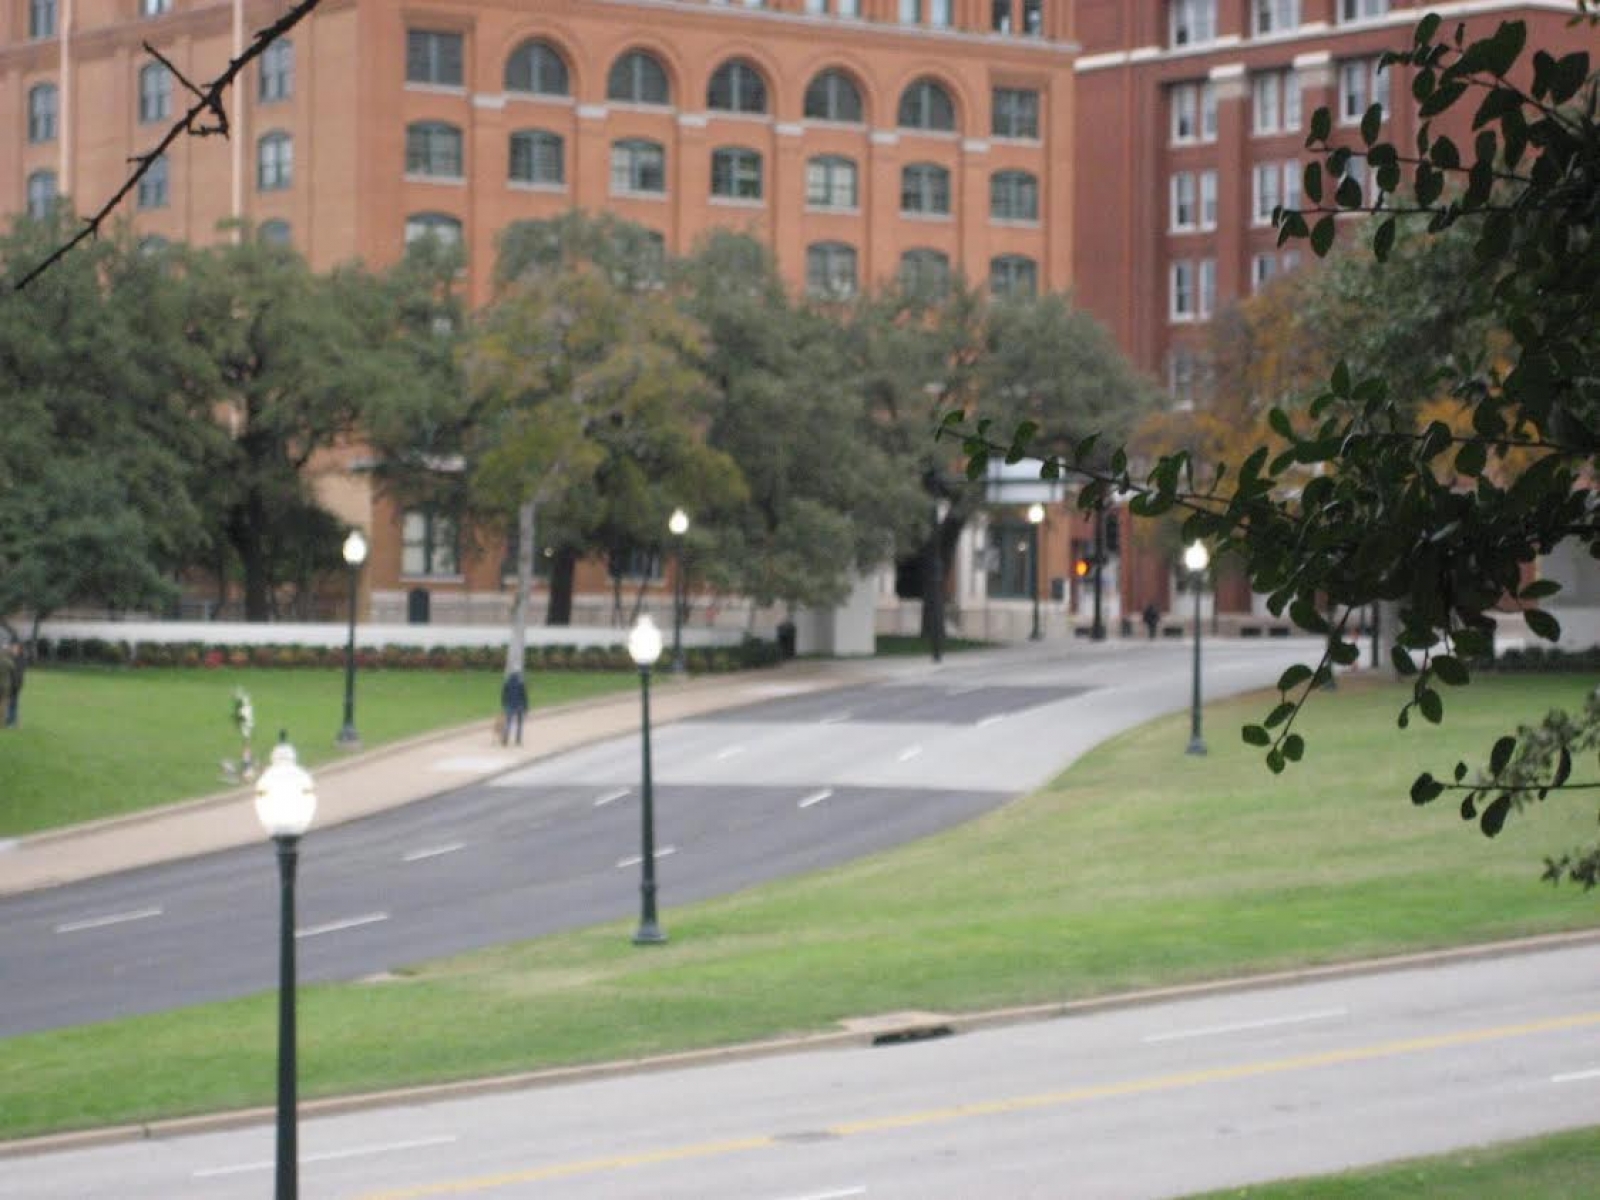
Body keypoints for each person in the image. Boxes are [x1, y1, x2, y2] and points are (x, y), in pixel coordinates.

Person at [500, 670, 528, 747]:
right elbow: (524, 697)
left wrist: (503, 705)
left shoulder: (507, 684)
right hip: (519, 706)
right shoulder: (521, 684)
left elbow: (503, 696)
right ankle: (518, 740)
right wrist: (526, 707)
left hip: (509, 705)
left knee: (508, 723)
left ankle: (505, 739)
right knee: (519, 724)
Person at [0, 643, 15, 729]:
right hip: (5, 686)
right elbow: (13, 670)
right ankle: (1, 723)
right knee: (3, 704)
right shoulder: (9, 662)